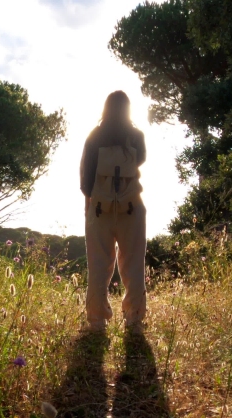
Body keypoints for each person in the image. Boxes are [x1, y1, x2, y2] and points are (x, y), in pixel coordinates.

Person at [80, 90, 147, 332]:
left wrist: (90, 206)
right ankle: (134, 320)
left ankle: (97, 321)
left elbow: (86, 179)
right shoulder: (137, 136)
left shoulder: (94, 137)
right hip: (132, 208)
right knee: (134, 266)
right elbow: (140, 161)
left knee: (99, 266)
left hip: (100, 209)